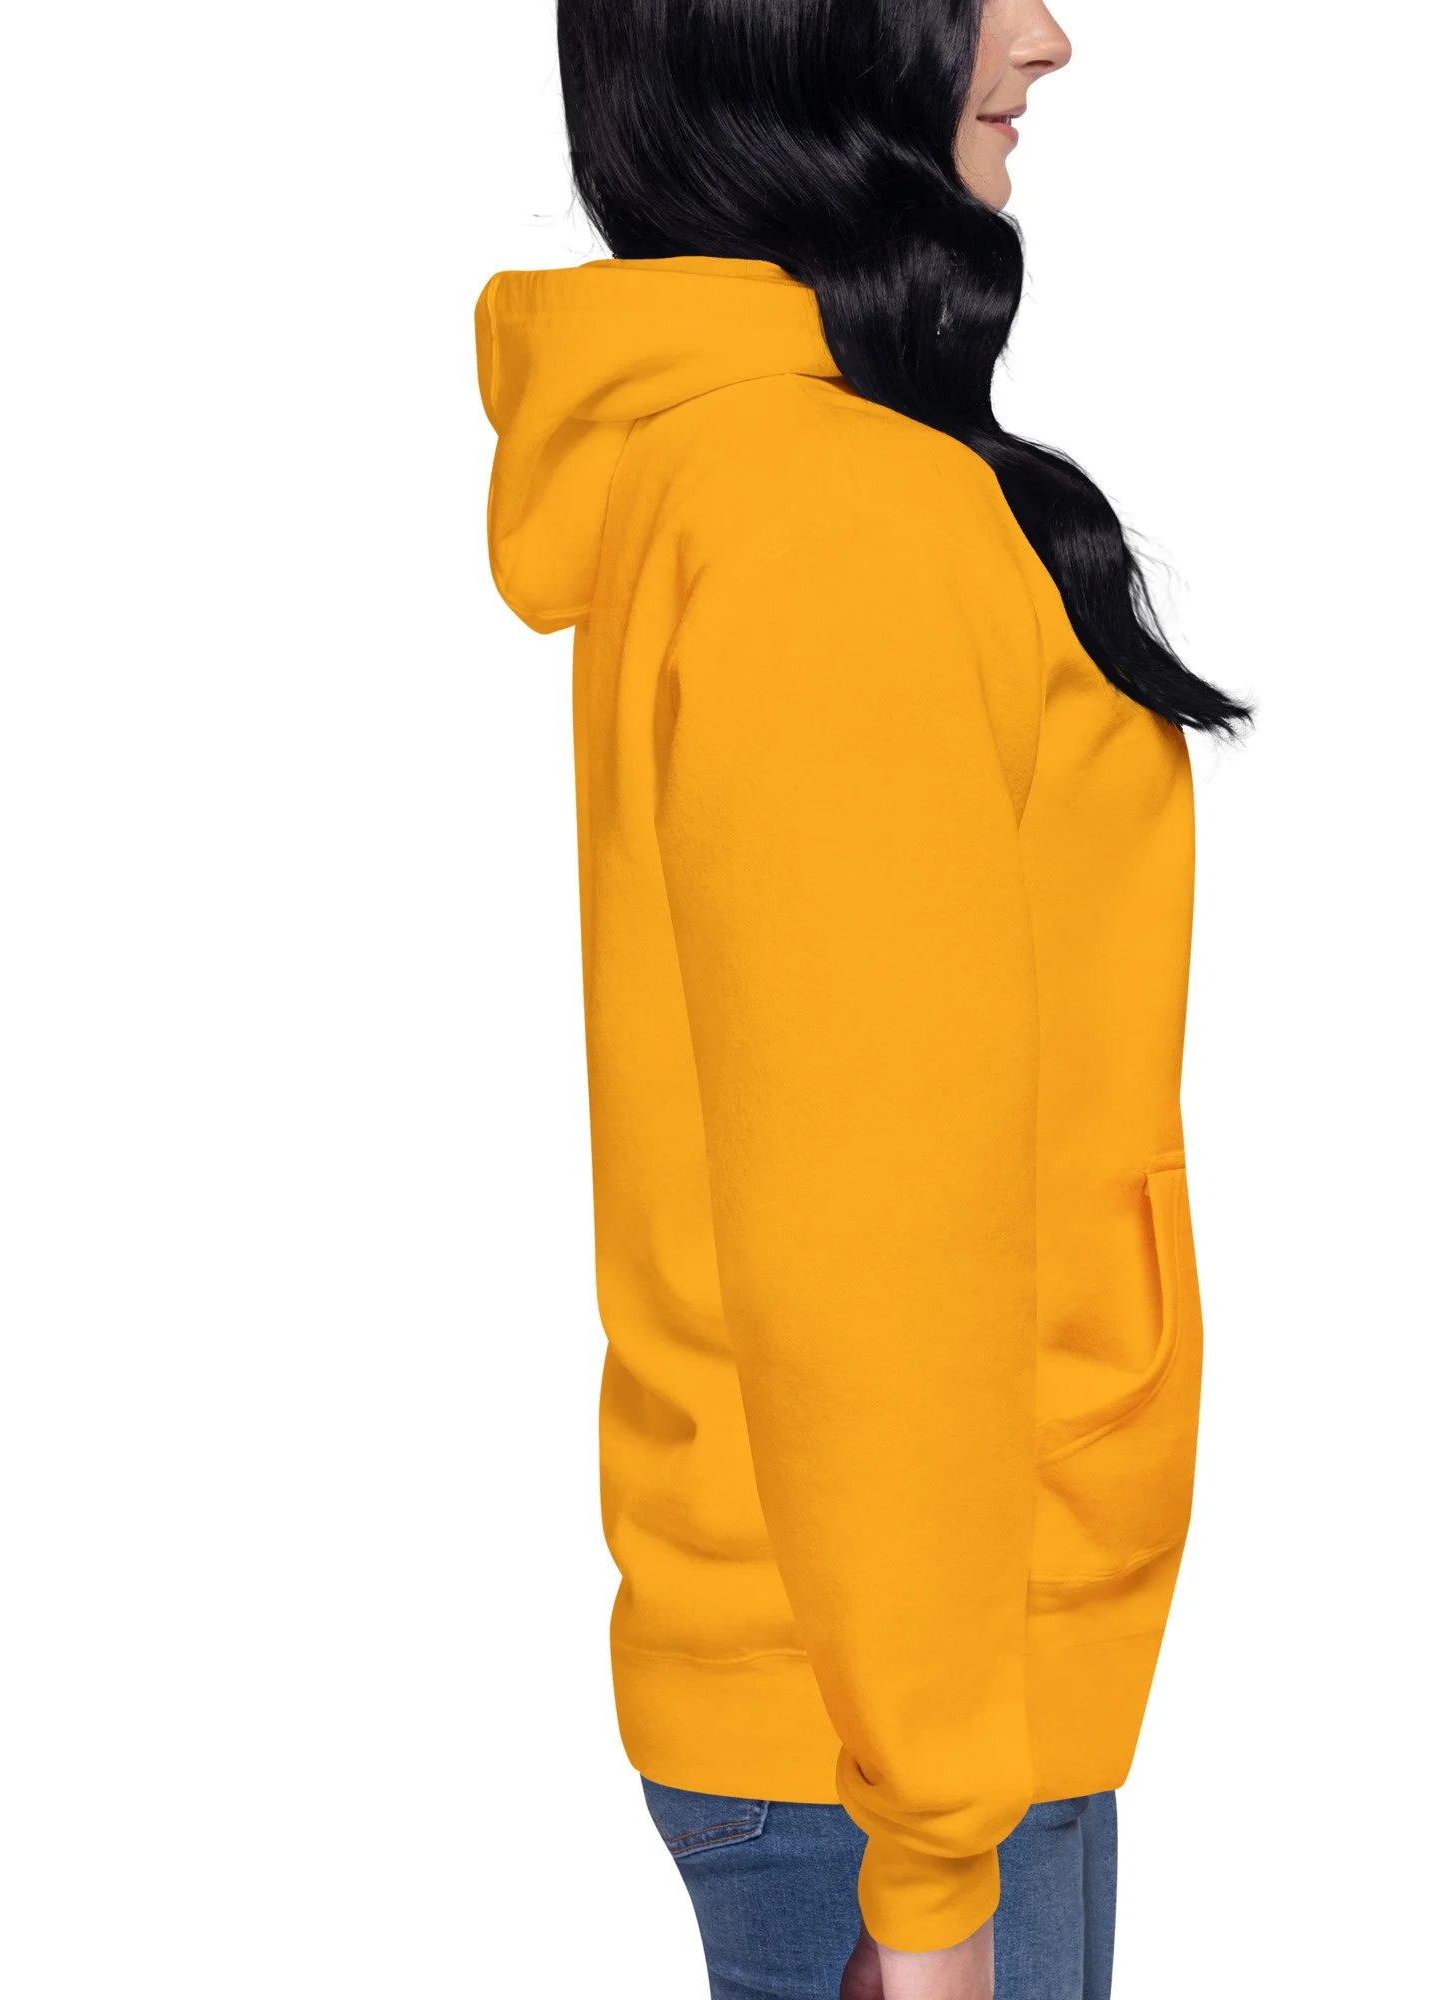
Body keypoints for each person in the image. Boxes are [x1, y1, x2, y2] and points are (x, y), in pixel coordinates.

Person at [475, 1, 1247, 1992]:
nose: (1048, 38)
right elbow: (870, 1232)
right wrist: (929, 1871)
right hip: (894, 1744)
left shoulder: (767, 476)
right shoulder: (834, 517)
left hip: (878, 1700)